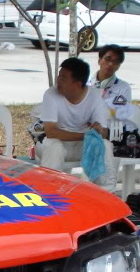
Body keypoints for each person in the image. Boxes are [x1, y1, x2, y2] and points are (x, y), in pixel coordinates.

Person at [33, 57, 116, 190]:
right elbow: (51, 132)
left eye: (63, 78)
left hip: (81, 146)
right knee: (55, 147)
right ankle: (49, 191)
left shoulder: (94, 97)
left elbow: (103, 133)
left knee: (104, 145)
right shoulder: (51, 94)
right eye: (59, 76)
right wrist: (85, 135)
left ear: (77, 83)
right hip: (52, 144)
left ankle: (107, 192)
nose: (58, 80)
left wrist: (98, 131)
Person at [91, 44, 137, 133]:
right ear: (99, 61)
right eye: (107, 59)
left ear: (119, 66)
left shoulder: (124, 88)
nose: (111, 64)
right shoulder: (85, 84)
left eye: (116, 62)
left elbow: (122, 114)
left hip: (111, 132)